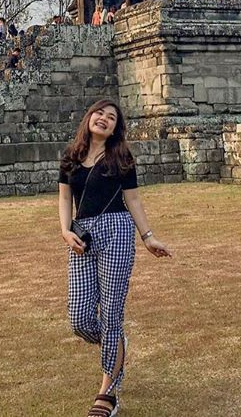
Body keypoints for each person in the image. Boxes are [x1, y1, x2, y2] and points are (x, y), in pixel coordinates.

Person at [58, 100, 172, 417]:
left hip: (118, 232)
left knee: (111, 312)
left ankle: (107, 392)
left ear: (115, 128)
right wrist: (65, 231)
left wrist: (148, 237)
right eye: (100, 113)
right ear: (89, 116)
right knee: (80, 319)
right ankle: (117, 343)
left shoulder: (120, 156)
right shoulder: (72, 155)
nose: (104, 119)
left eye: (112, 118)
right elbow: (65, 196)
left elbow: (132, 198)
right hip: (82, 235)